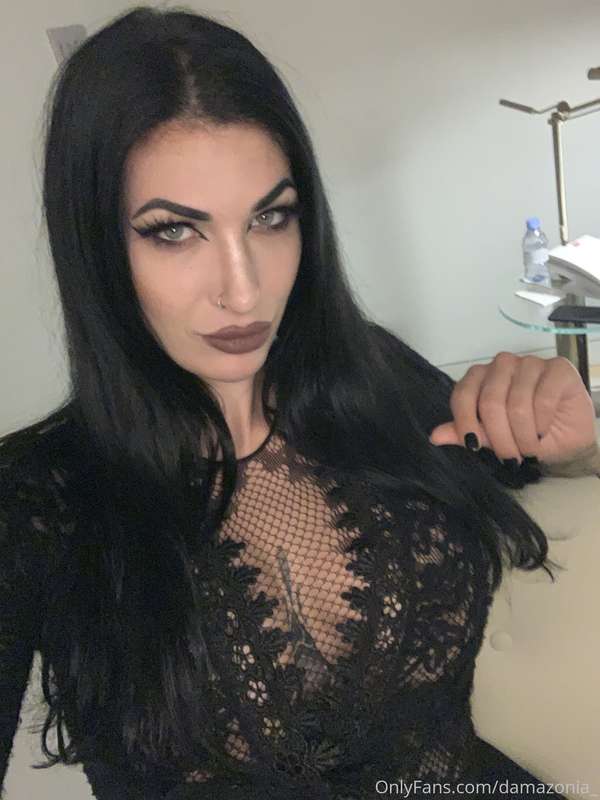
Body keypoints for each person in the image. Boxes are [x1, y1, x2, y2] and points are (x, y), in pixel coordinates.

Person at [0, 6, 598, 800]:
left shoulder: (376, 380)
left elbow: (530, 472)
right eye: (174, 231)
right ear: (96, 246)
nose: (245, 290)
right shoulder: (35, 501)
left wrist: (580, 444)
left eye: (271, 217)